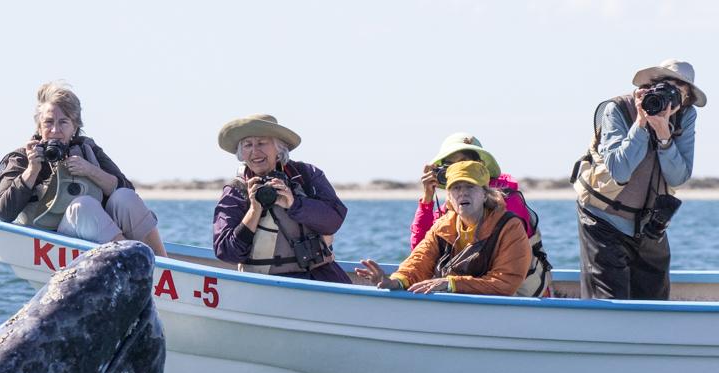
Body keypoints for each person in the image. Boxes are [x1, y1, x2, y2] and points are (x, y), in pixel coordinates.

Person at [573, 59, 705, 300]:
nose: (670, 98)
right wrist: (641, 124)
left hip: (649, 222)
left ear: (686, 99)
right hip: (603, 217)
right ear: (651, 85)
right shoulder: (618, 108)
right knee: (610, 302)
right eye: (666, 87)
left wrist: (665, 137)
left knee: (654, 300)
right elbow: (619, 171)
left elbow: (679, 176)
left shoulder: (685, 116)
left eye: (680, 93)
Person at [0, 81, 167, 256]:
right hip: (52, 244)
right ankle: (133, 265)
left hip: (94, 239)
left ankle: (163, 268)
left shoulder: (87, 150)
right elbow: (4, 213)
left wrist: (90, 170)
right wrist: (31, 171)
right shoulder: (21, 158)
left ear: (75, 127)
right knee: (82, 206)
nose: (55, 130)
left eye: (63, 122)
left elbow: (127, 190)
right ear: (39, 126)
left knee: (124, 197)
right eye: (48, 122)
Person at [356, 161, 530, 296]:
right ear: (449, 197)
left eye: (470, 186)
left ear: (485, 194)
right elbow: (418, 262)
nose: (463, 193)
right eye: (456, 188)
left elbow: (506, 282)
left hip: (494, 309)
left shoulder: (509, 227)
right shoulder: (443, 226)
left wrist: (451, 284)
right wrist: (395, 281)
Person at [213, 114, 351, 283]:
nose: (255, 151)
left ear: (279, 148)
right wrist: (254, 211)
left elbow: (334, 220)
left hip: (320, 278)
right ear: (242, 153)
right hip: (264, 285)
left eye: (262, 143)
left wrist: (294, 203)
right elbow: (226, 252)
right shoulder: (237, 190)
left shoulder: (306, 175)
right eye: (248, 145)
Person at [412, 133, 552, 297]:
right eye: (450, 167)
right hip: (472, 289)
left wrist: (452, 283)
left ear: (480, 166)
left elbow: (504, 278)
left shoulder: (509, 202)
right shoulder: (453, 207)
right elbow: (421, 251)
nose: (460, 170)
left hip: (520, 294)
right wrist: (427, 200)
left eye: (465, 163)